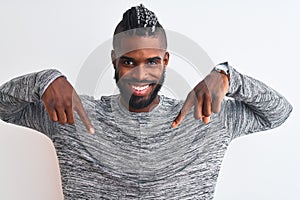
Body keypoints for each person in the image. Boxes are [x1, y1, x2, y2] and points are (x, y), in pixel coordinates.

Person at [0, 4, 292, 200]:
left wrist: (229, 76)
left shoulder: (205, 116)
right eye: (129, 61)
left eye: (152, 61)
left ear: (165, 60)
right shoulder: (72, 115)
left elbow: (278, 113)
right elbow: (4, 106)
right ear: (114, 60)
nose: (140, 74)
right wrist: (45, 80)